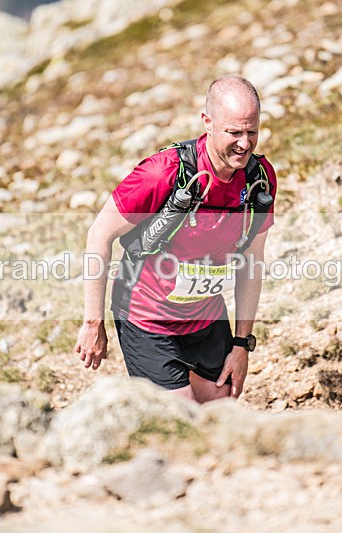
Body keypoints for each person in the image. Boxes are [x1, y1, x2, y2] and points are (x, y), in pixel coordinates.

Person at [74, 76, 277, 403]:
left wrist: (241, 345)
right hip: (147, 318)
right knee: (179, 421)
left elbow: (252, 262)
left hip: (206, 317)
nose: (244, 143)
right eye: (234, 132)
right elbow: (99, 233)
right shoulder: (163, 173)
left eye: (252, 131)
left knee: (221, 414)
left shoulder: (259, 182)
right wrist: (92, 322)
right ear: (207, 123)